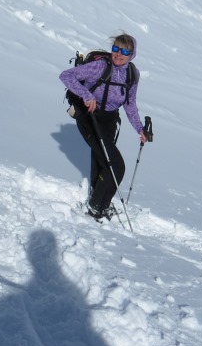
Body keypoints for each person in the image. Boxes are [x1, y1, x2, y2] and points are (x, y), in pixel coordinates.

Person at [59, 34, 147, 221]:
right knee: (116, 166)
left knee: (102, 162)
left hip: (110, 120)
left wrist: (140, 129)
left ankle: (100, 204)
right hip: (89, 117)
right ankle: (96, 207)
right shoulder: (100, 66)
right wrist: (86, 95)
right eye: (115, 48)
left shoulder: (132, 74)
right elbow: (66, 75)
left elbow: (130, 104)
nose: (118, 54)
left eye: (124, 51)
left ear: (132, 54)